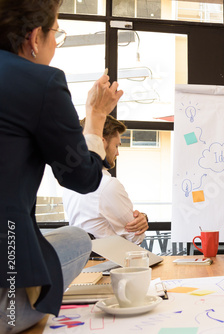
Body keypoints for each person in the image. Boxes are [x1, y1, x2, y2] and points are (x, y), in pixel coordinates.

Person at [0, 1, 123, 332]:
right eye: (57, 33)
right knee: (78, 239)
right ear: (35, 37)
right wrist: (96, 117)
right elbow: (81, 177)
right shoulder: (41, 81)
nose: (56, 43)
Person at [63, 115, 149, 245]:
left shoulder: (71, 183)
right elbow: (136, 237)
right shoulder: (108, 185)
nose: (117, 153)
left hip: (83, 259)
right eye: (116, 146)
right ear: (102, 143)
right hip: (111, 261)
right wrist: (142, 219)